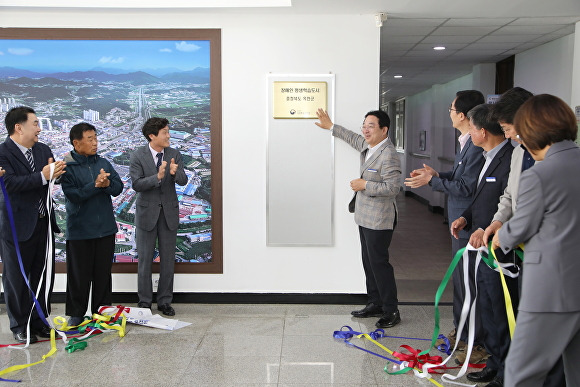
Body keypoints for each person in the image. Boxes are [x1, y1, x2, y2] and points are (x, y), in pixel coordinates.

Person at [491, 95, 580, 387]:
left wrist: (499, 236)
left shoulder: (540, 174)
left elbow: (520, 229)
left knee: (521, 373)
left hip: (551, 288)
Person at [405, 90, 486, 361]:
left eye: (451, 110)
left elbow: (466, 187)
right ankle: (462, 333)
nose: (449, 114)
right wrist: (437, 174)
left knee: (469, 284)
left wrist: (432, 182)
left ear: (463, 115)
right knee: (461, 282)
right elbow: (459, 175)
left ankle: (473, 340)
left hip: (468, 224)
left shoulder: (476, 145)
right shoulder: (466, 142)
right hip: (459, 223)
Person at [315, 108, 402, 328]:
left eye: (371, 126)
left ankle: (391, 310)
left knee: (379, 264)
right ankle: (375, 303)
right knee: (369, 262)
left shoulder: (389, 153)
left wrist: (365, 185)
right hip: (364, 217)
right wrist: (332, 126)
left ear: (385, 130)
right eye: (364, 125)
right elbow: (352, 138)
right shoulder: (370, 146)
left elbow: (393, 187)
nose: (365, 129)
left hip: (380, 220)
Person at [450, 104, 516, 387]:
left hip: (499, 246)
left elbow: (508, 202)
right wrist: (467, 217)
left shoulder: (512, 157)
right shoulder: (488, 156)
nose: (470, 133)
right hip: (482, 239)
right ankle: (495, 361)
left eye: (473, 129)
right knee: (488, 306)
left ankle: (505, 371)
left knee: (500, 309)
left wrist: (484, 227)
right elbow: (482, 196)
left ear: (483, 132)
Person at [0, 106, 66, 343]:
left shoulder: (43, 149)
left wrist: (56, 173)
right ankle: (19, 325)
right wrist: (43, 176)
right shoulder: (3, 153)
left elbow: (49, 178)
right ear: (19, 127)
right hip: (17, 227)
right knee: (16, 278)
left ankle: (39, 321)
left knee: (41, 276)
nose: (40, 128)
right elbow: (9, 184)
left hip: (43, 223)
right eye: (35, 124)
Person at [61, 123, 123, 326]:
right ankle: (76, 314)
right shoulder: (66, 167)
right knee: (79, 275)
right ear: (76, 143)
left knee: (102, 274)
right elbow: (74, 196)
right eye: (90, 139)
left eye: (96, 138)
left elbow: (118, 187)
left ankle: (102, 311)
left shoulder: (103, 162)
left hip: (105, 228)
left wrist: (106, 185)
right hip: (80, 230)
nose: (95, 143)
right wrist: (95, 185)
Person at [130, 117, 187, 316]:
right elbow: (136, 184)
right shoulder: (138, 155)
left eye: (168, 131)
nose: (168, 135)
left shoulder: (174, 154)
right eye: (164, 132)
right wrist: (158, 177)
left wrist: (174, 172)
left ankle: (164, 301)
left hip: (168, 213)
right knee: (144, 260)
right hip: (147, 213)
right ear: (152, 136)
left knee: (168, 260)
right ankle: (144, 302)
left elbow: (183, 180)